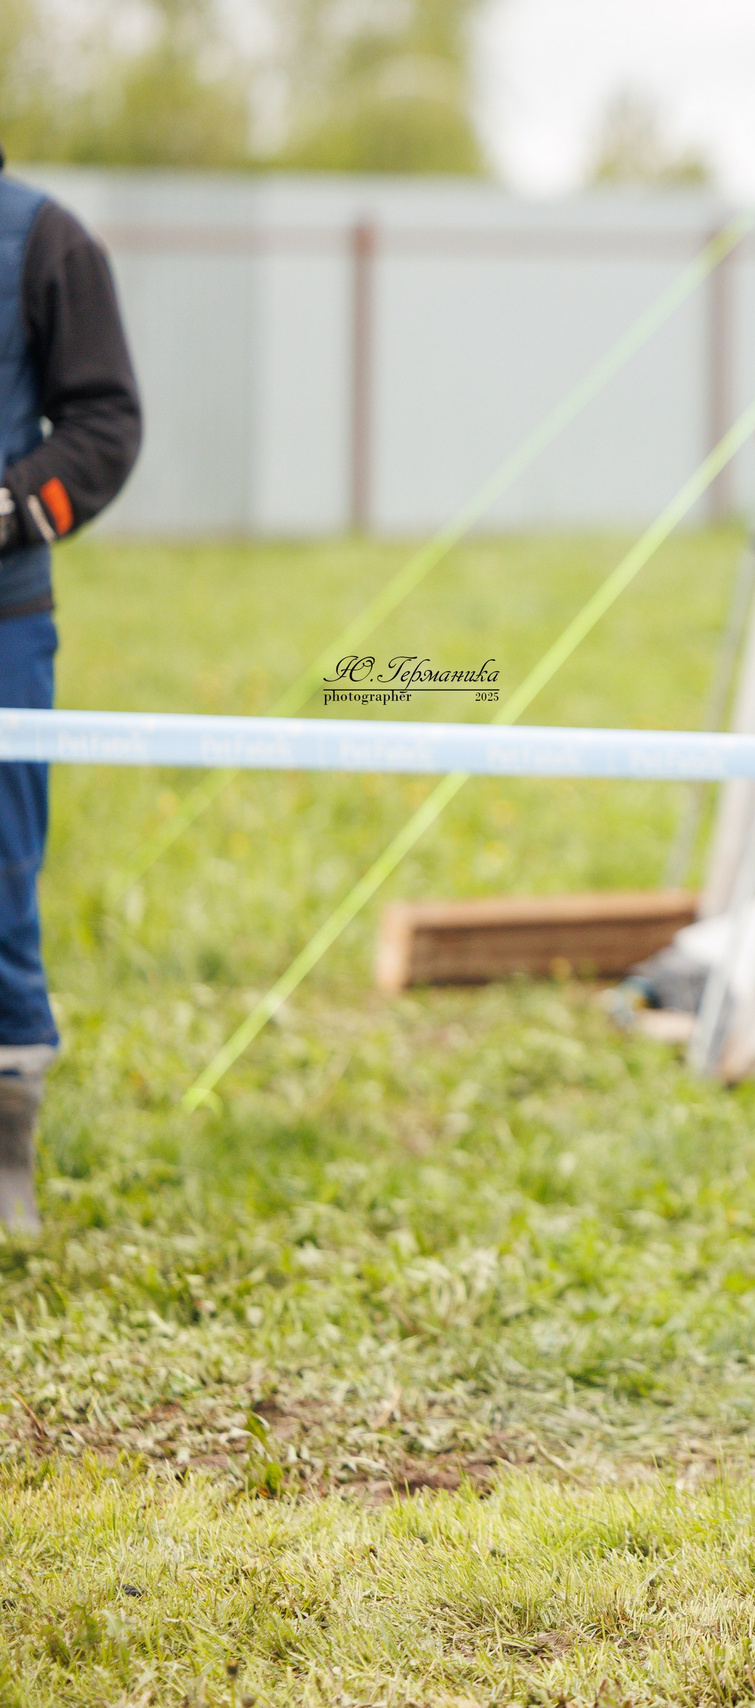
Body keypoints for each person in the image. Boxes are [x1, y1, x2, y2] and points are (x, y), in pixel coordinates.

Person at [0, 151, 141, 1236]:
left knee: (0, 881)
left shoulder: (45, 238)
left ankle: (7, 1144)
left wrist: (10, 510)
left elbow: (104, 420)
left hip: (5, 621)